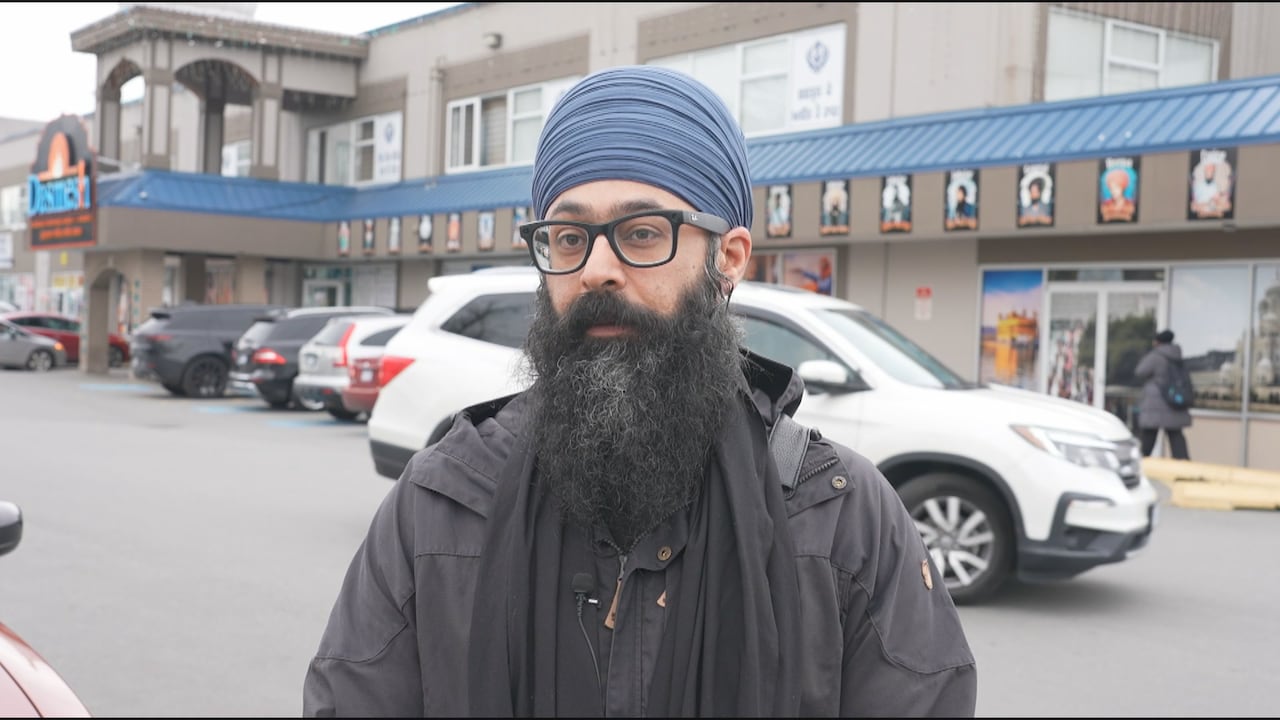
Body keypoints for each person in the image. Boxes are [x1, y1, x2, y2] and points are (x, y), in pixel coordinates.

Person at [302, 65, 977, 718]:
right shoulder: (441, 501)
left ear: (729, 260)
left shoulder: (842, 519)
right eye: (568, 238)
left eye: (642, 234)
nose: (597, 270)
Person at [1134, 329, 1192, 460]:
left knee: (1149, 436)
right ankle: (1184, 466)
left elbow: (1140, 371)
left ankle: (1141, 463)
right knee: (1175, 435)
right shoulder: (1178, 356)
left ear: (1158, 341)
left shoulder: (1155, 356)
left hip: (1156, 403)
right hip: (1174, 402)